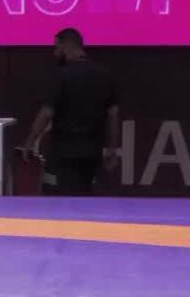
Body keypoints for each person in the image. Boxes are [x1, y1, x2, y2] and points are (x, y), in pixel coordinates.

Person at [21, 28, 120, 195]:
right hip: (93, 151)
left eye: (56, 48)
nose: (55, 53)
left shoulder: (62, 75)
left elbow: (47, 112)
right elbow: (113, 115)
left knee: (69, 198)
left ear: (66, 46)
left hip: (66, 151)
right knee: (86, 193)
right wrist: (112, 148)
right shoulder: (104, 74)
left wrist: (30, 142)